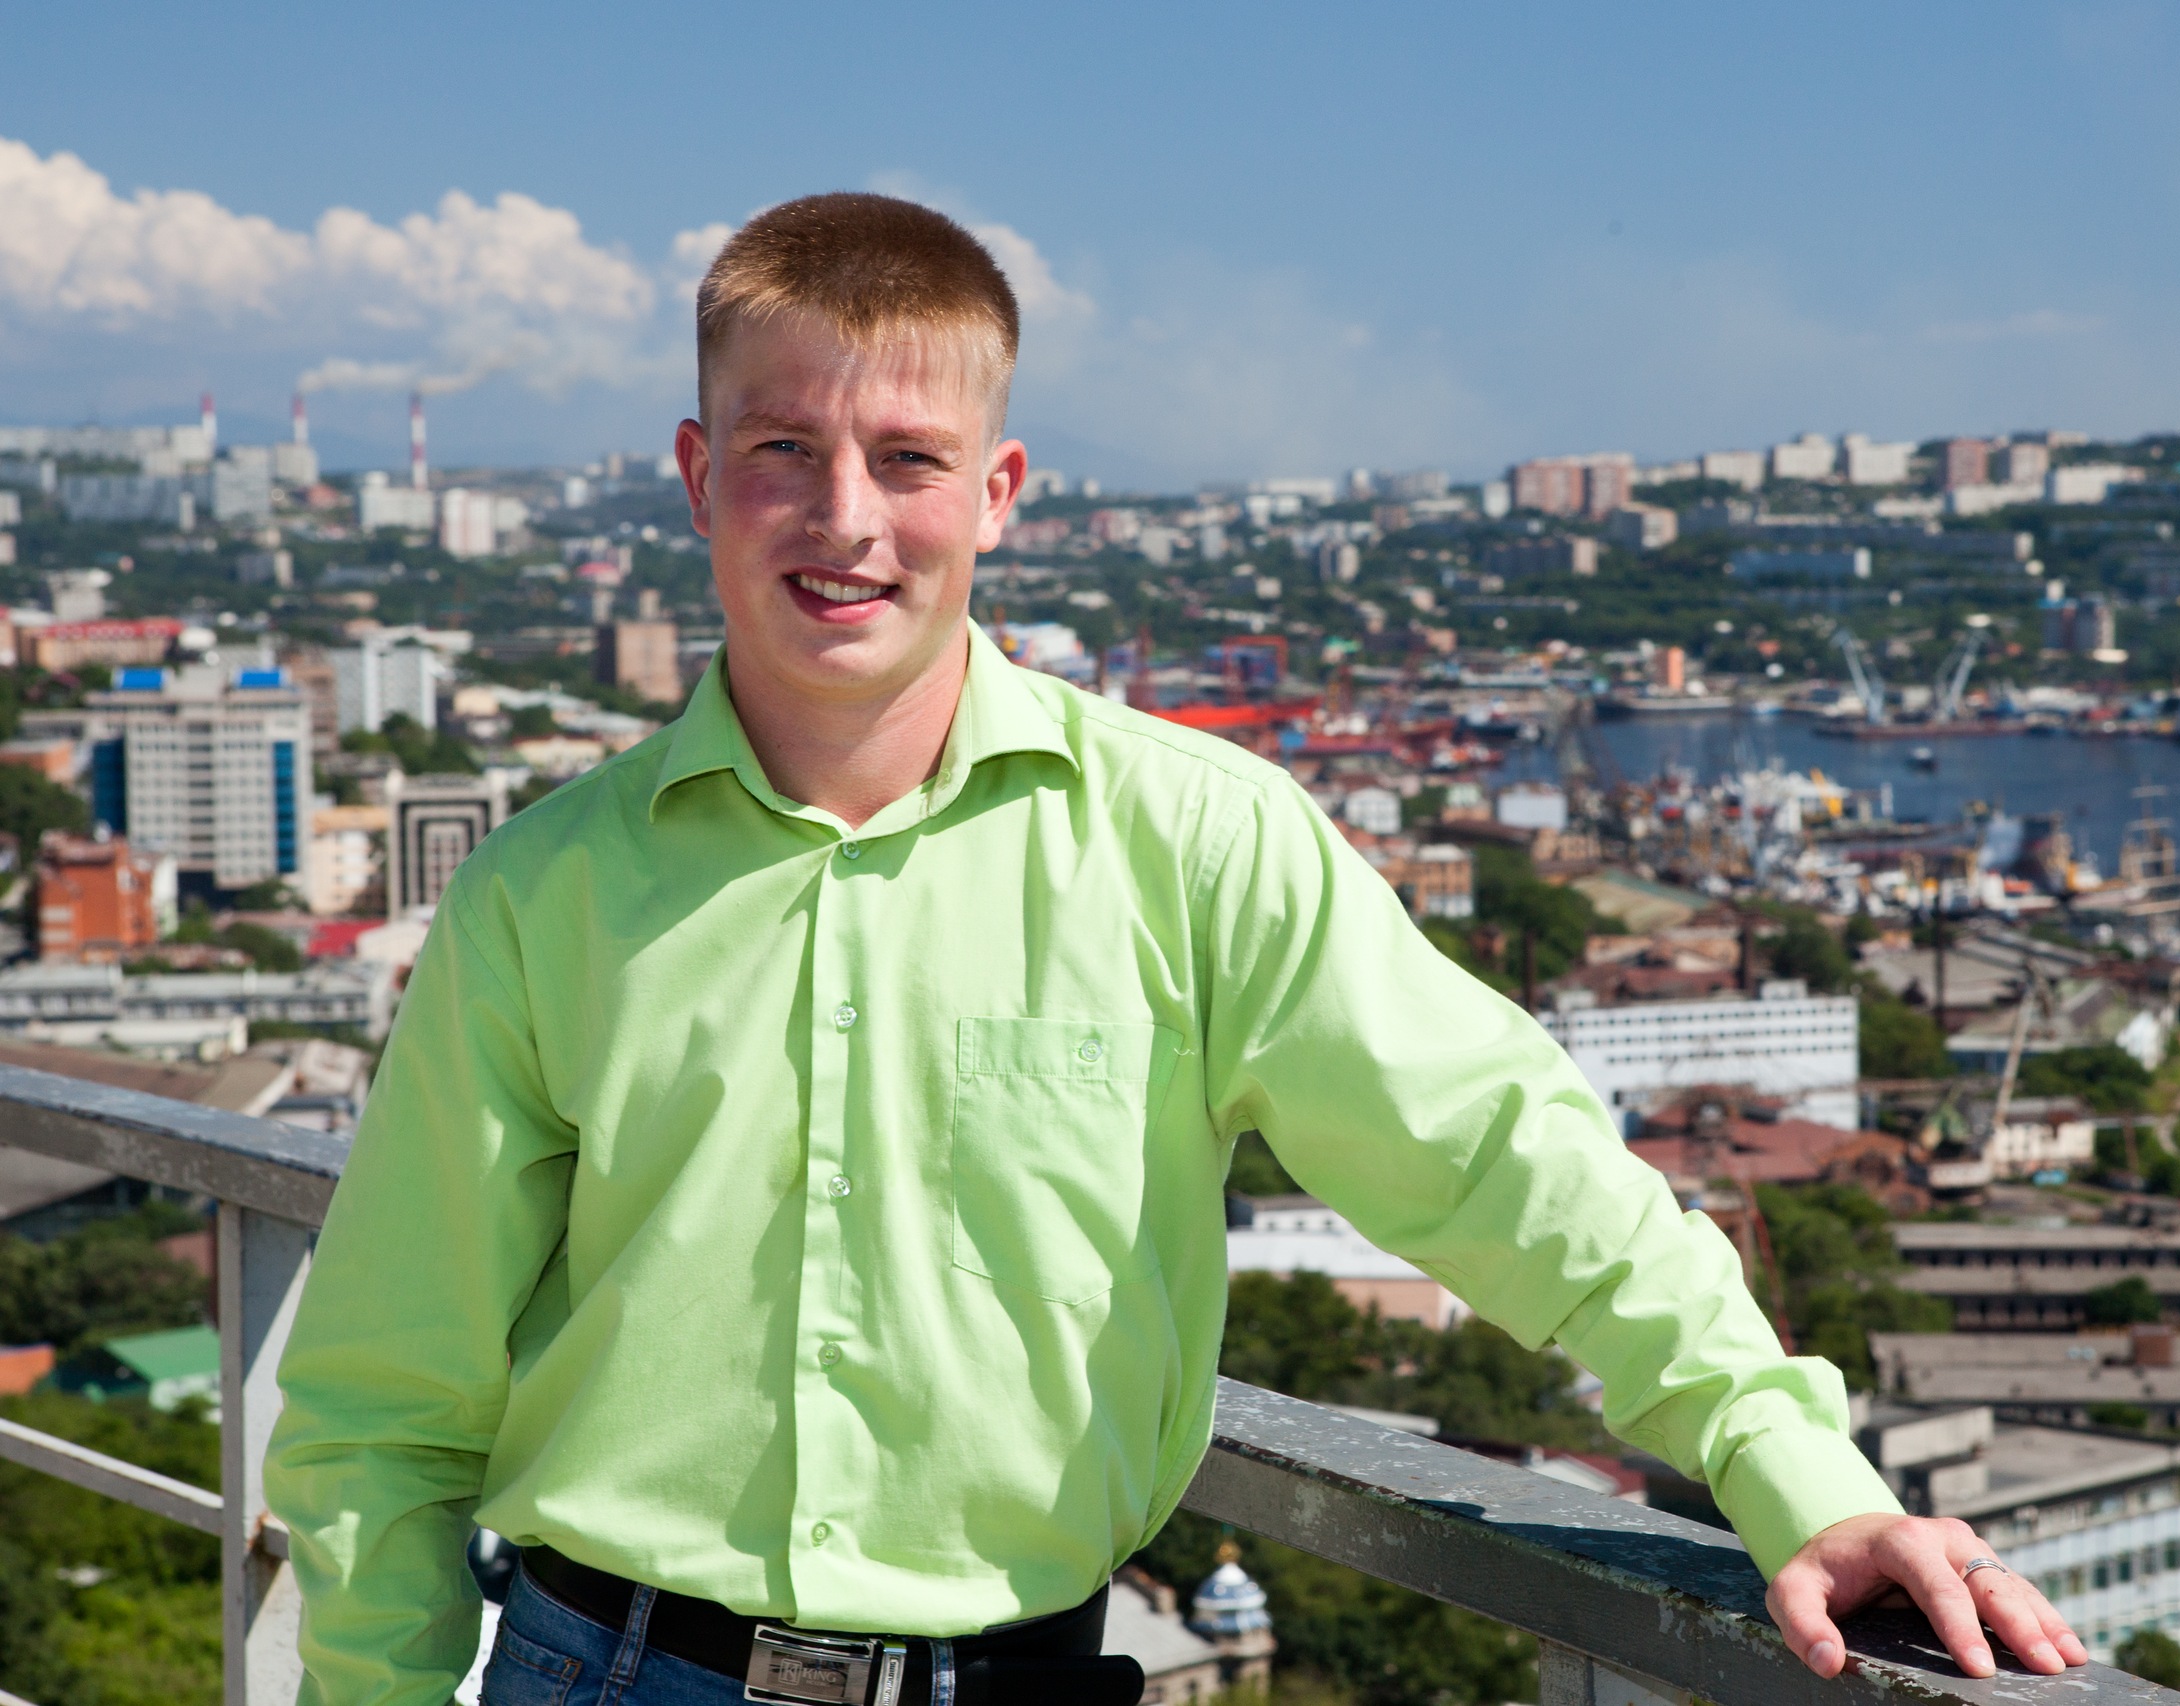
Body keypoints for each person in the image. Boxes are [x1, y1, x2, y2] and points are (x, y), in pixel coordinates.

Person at [267, 192, 2086, 1706]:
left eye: (909, 459)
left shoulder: (1195, 844)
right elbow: (384, 1406)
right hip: (606, 1672)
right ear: (694, 474)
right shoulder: (542, 895)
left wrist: (1791, 1470)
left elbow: (1502, 1159)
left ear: (999, 490)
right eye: (782, 450)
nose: (846, 518)